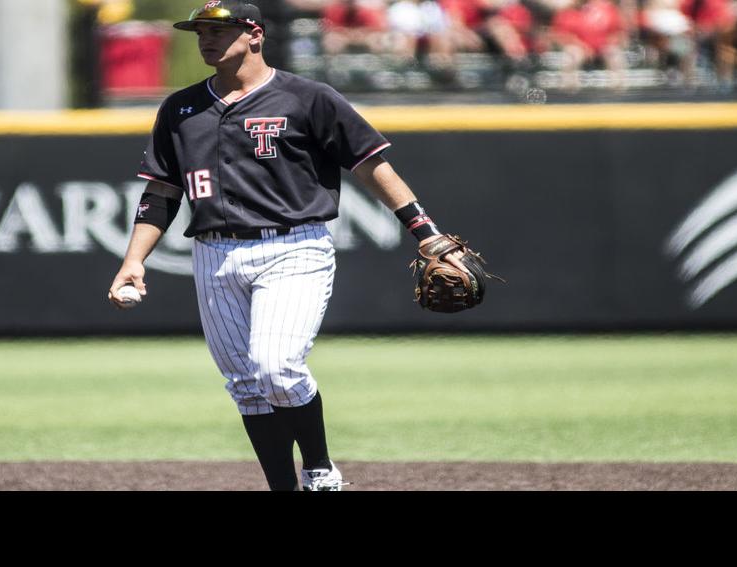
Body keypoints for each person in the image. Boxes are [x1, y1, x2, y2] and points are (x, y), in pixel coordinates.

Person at [108, 1, 475, 491]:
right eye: (199, 32)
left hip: (293, 248)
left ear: (255, 34)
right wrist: (134, 260)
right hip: (214, 254)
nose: (206, 40)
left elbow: (369, 163)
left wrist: (424, 230)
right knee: (246, 387)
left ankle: (320, 469)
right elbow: (162, 192)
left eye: (219, 30)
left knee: (276, 367)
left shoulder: (307, 97)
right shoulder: (181, 108)